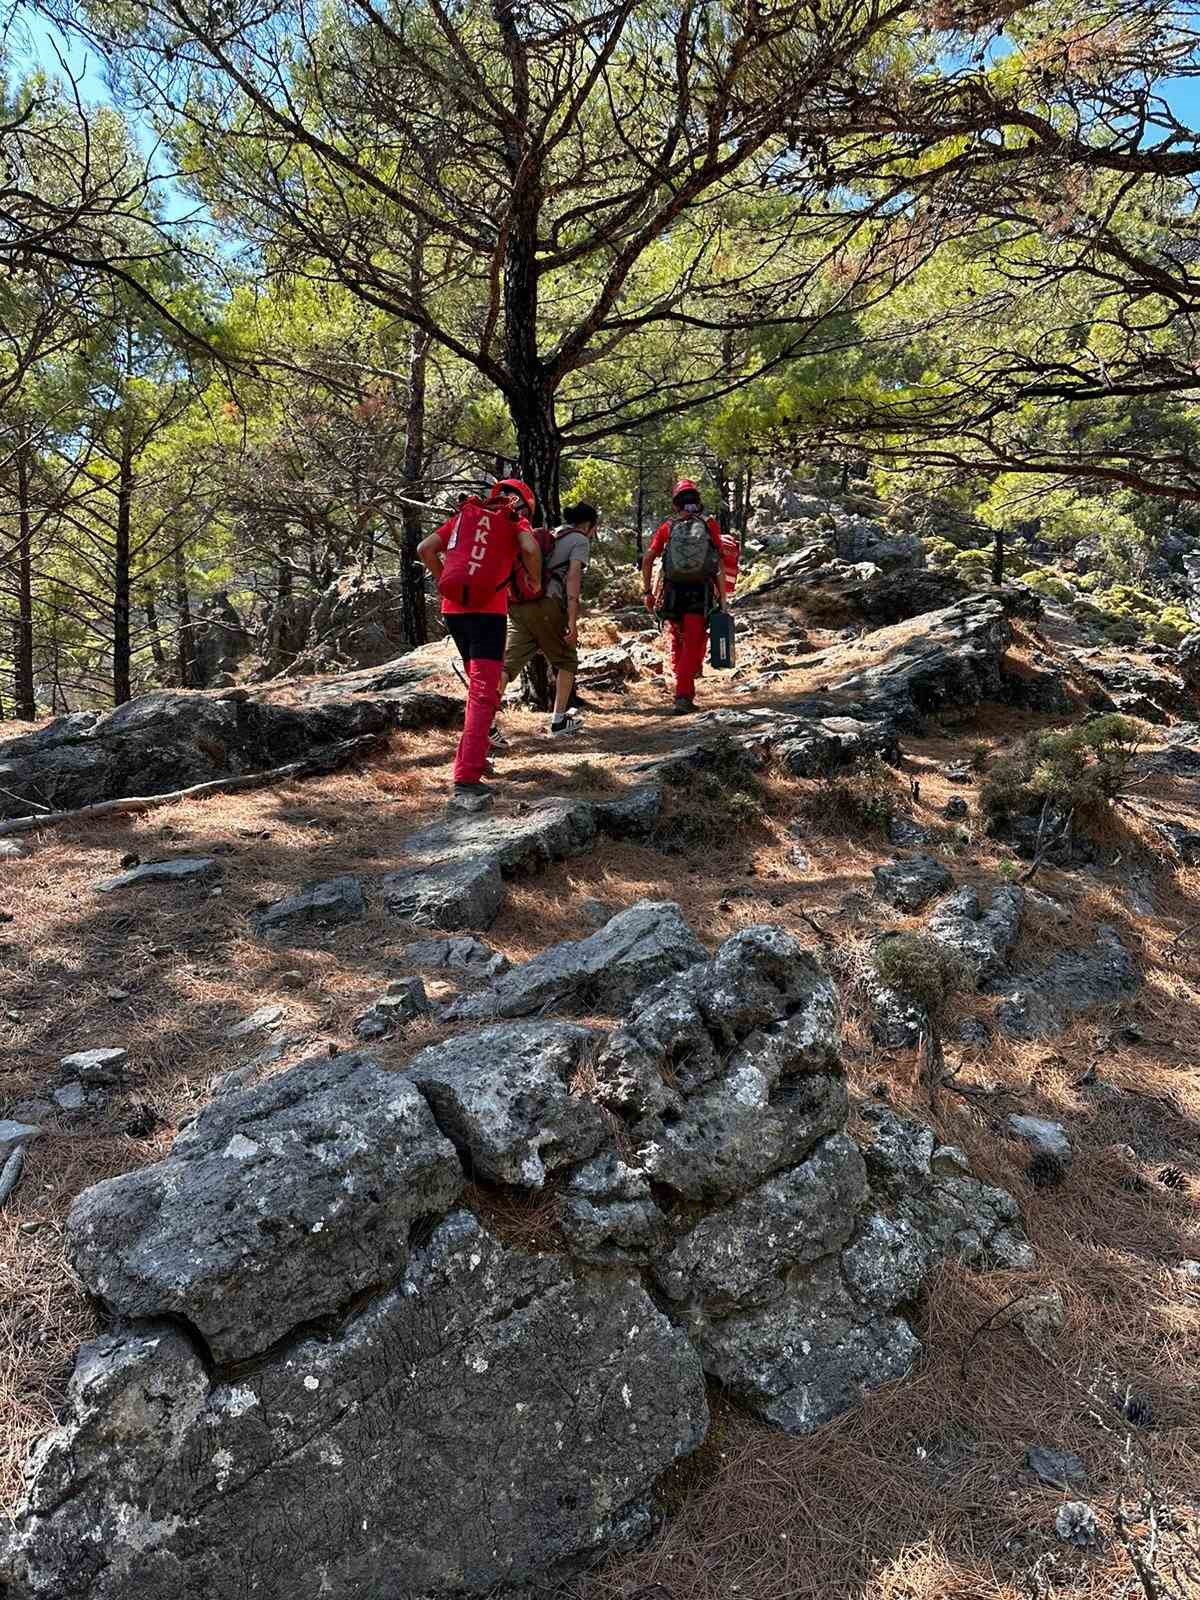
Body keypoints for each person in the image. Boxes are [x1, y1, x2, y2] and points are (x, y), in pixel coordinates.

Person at [418, 479, 541, 803]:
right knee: (484, 693)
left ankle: (475, 758)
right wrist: (535, 578)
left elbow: (424, 549)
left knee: (478, 687)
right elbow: (529, 549)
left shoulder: (467, 515)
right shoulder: (515, 519)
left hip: (454, 611)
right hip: (488, 614)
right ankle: (466, 778)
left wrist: (445, 578)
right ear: (524, 504)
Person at [498, 501, 598, 738]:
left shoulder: (551, 534)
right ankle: (558, 722)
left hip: (519, 605)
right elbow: (573, 577)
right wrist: (572, 621)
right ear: (589, 525)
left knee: (507, 666)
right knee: (566, 660)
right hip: (548, 604)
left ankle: (483, 720)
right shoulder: (580, 540)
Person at [642, 479, 726, 713]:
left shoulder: (668, 526)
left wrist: (647, 592)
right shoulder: (709, 524)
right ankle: (683, 694)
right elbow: (719, 562)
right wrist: (724, 600)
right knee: (695, 640)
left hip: (671, 592)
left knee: (678, 637)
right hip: (701, 590)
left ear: (676, 502)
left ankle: (682, 680)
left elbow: (648, 558)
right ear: (697, 501)